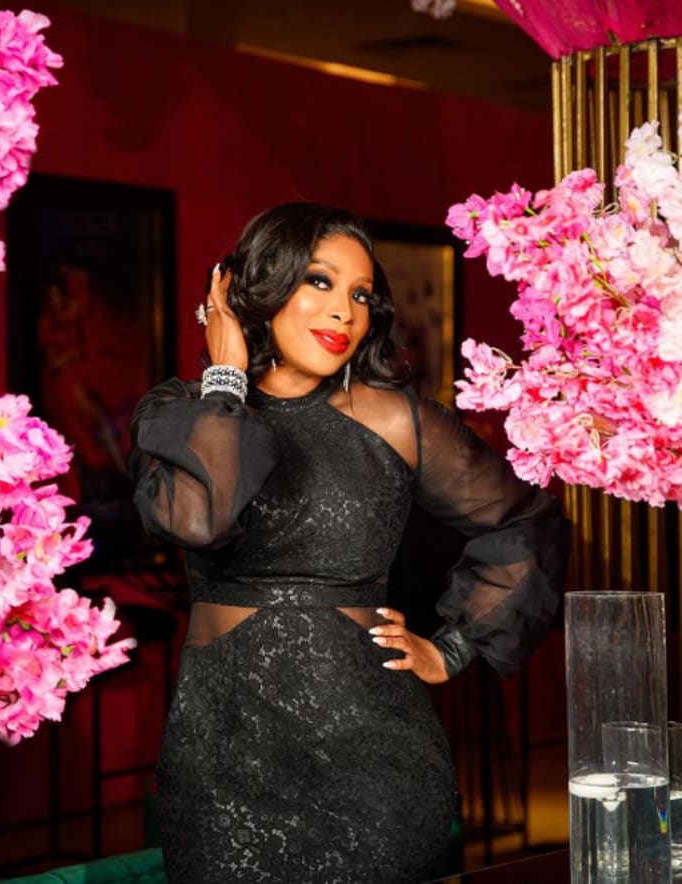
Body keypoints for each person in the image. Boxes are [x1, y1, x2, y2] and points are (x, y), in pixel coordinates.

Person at [129, 202, 568, 884]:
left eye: (361, 295)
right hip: (220, 767)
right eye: (320, 281)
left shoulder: (396, 420)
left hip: (374, 769)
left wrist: (452, 648)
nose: (345, 311)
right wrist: (227, 376)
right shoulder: (179, 412)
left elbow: (525, 519)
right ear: (259, 288)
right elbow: (198, 520)